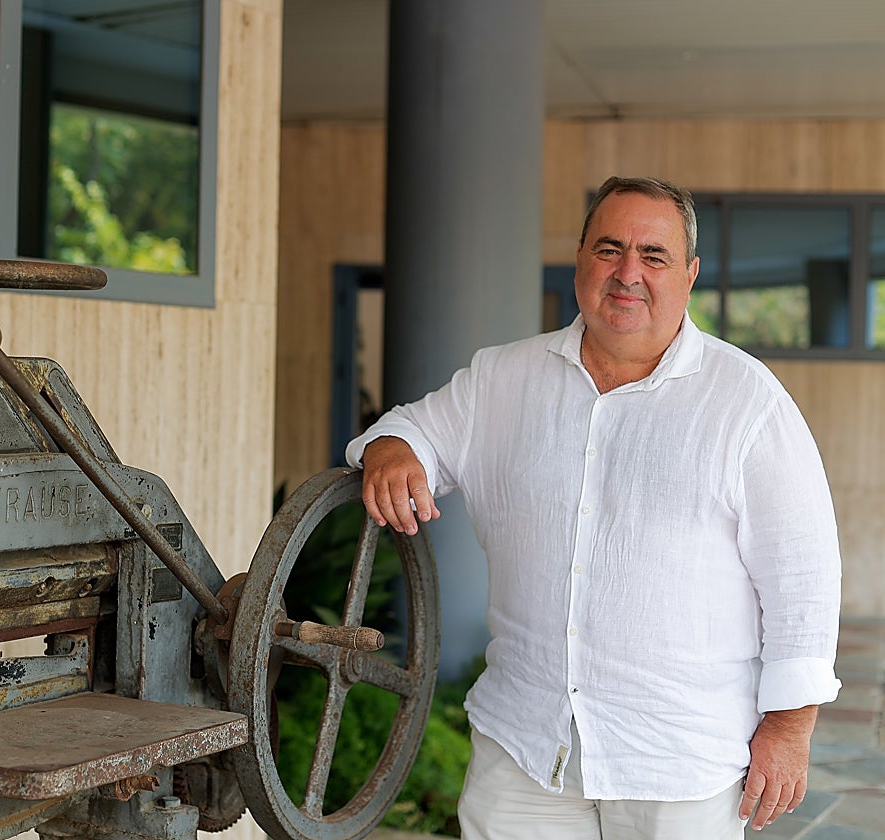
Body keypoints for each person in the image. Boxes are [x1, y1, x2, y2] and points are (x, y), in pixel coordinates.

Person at [346, 176, 842, 839]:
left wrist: (788, 728)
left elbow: (803, 580)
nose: (628, 273)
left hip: (678, 762)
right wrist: (390, 449)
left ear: (689, 275)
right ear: (581, 257)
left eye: (653, 255)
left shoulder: (749, 404)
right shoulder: (502, 378)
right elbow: (412, 430)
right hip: (523, 751)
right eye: (609, 249)